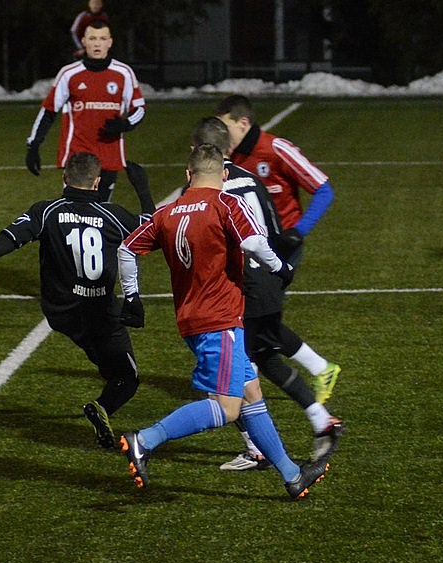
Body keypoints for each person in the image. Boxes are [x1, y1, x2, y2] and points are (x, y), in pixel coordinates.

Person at [116, 143, 332, 500]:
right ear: (225, 174)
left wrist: (132, 297)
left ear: (188, 175)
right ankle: (145, 440)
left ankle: (293, 476)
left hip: (192, 319)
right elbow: (254, 243)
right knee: (228, 408)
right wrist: (280, 267)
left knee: (251, 393)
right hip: (220, 321)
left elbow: (126, 250)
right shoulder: (226, 203)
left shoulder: (167, 213)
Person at [0, 152, 146, 448]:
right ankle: (102, 406)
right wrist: (143, 190)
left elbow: (8, 240)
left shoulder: (46, 211)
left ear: (65, 178)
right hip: (101, 311)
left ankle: (101, 397)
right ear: (98, 182)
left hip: (62, 311)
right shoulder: (115, 215)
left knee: (105, 361)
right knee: (126, 378)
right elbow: (154, 228)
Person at [189, 117, 345, 471]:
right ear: (229, 147)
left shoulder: (207, 192)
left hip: (241, 288)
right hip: (268, 281)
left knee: (230, 372)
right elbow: (274, 230)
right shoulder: (253, 179)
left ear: (196, 151)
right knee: (264, 358)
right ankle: (321, 421)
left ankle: (259, 448)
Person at [214, 94, 341, 402]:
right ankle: (315, 370)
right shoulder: (231, 160)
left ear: (243, 123)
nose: (220, 135)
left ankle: (253, 385)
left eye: (224, 127)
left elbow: (324, 190)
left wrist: (297, 232)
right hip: (252, 249)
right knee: (258, 319)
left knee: (256, 318)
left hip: (281, 248)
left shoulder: (276, 149)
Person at [26, 19, 155, 215]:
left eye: (102, 39)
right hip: (77, 154)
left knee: (100, 214)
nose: (97, 44)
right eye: (92, 38)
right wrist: (34, 145)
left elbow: (139, 108)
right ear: (84, 42)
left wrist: (126, 124)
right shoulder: (69, 74)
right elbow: (49, 110)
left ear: (110, 42)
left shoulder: (123, 73)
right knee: (74, 212)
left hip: (109, 153)